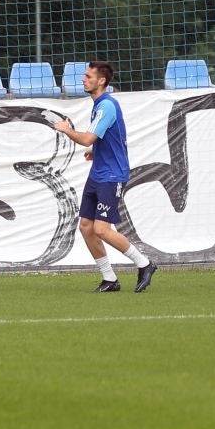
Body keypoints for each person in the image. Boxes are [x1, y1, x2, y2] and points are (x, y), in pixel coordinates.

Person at [53, 60, 157, 293]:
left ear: (101, 81)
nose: (83, 79)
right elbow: (103, 138)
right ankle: (110, 279)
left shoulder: (106, 106)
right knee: (86, 227)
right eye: (85, 75)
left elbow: (88, 138)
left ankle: (145, 263)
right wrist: (96, 152)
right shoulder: (99, 105)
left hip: (112, 175)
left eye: (89, 76)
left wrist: (66, 129)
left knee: (101, 229)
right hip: (99, 171)